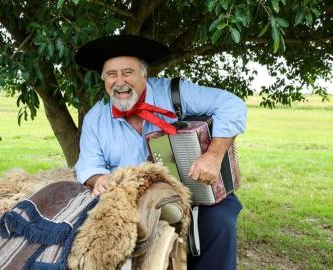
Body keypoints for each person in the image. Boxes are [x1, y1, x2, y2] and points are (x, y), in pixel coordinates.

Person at [74, 35, 246, 270]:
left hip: (194, 193)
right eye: (112, 74)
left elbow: (232, 104)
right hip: (136, 203)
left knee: (220, 223)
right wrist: (98, 179)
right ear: (104, 79)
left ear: (144, 74)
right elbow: (88, 165)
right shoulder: (95, 118)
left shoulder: (174, 93)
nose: (120, 82)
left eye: (128, 72)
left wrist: (213, 156)